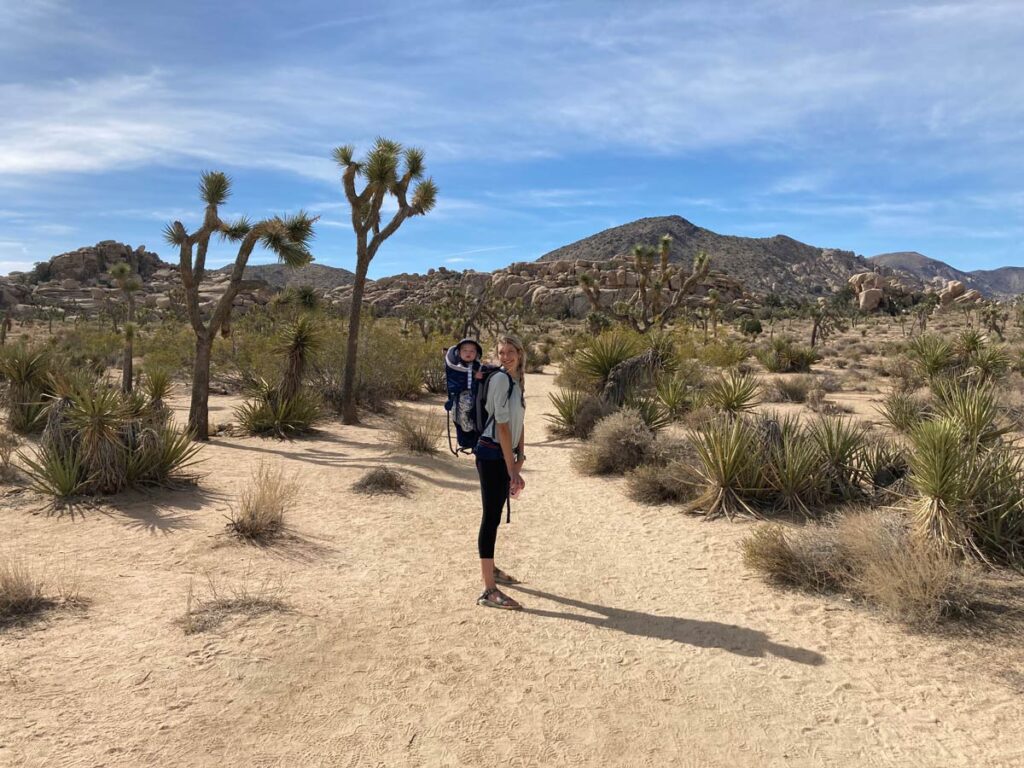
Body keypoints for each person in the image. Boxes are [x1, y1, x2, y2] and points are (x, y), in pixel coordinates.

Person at [475, 335, 528, 610]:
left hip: (503, 455)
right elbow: (503, 427)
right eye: (501, 352)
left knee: (494, 517)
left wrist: (521, 457)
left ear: (519, 353)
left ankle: (491, 569)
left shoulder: (516, 382)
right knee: (490, 517)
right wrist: (511, 469)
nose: (505, 356)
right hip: (492, 454)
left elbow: (520, 422)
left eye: (510, 352)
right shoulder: (499, 380)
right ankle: (488, 589)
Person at [443, 338, 486, 452]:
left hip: (475, 400)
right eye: (465, 350)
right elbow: (452, 383)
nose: (468, 353)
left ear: (477, 354)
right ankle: (464, 442)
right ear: (459, 352)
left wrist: (480, 378)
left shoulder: (479, 367)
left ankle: (474, 441)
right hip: (459, 400)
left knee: (474, 421)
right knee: (459, 420)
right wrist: (451, 400)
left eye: (472, 351)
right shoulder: (455, 366)